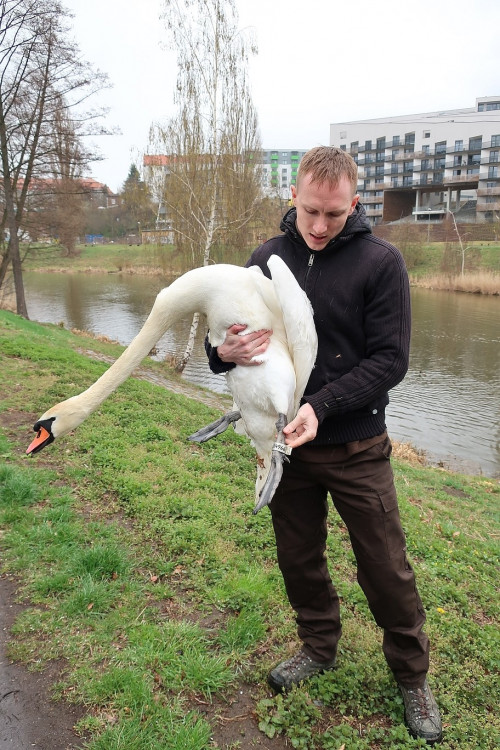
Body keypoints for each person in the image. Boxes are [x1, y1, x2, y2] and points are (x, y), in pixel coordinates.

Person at [206, 146, 442, 745]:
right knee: (298, 557)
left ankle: (412, 678)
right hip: (290, 450)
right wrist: (219, 355)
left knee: (385, 567)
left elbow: (391, 360)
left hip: (356, 445)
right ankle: (318, 647)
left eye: (333, 216)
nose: (318, 226)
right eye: (310, 211)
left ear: (353, 204)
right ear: (294, 199)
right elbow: (228, 339)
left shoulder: (381, 263)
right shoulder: (266, 260)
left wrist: (322, 405)